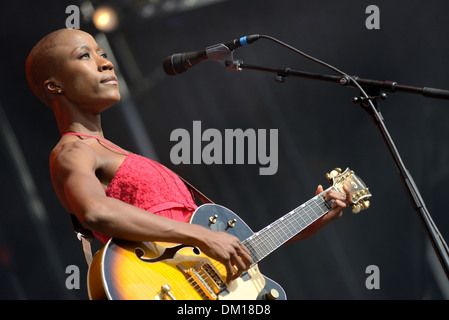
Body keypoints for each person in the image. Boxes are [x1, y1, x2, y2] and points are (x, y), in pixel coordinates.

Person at [25, 28, 351, 285]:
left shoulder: (116, 152)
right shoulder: (73, 150)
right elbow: (95, 211)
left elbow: (229, 250)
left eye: (103, 53)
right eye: (85, 55)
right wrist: (203, 234)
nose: (106, 62)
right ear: (54, 86)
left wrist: (311, 222)